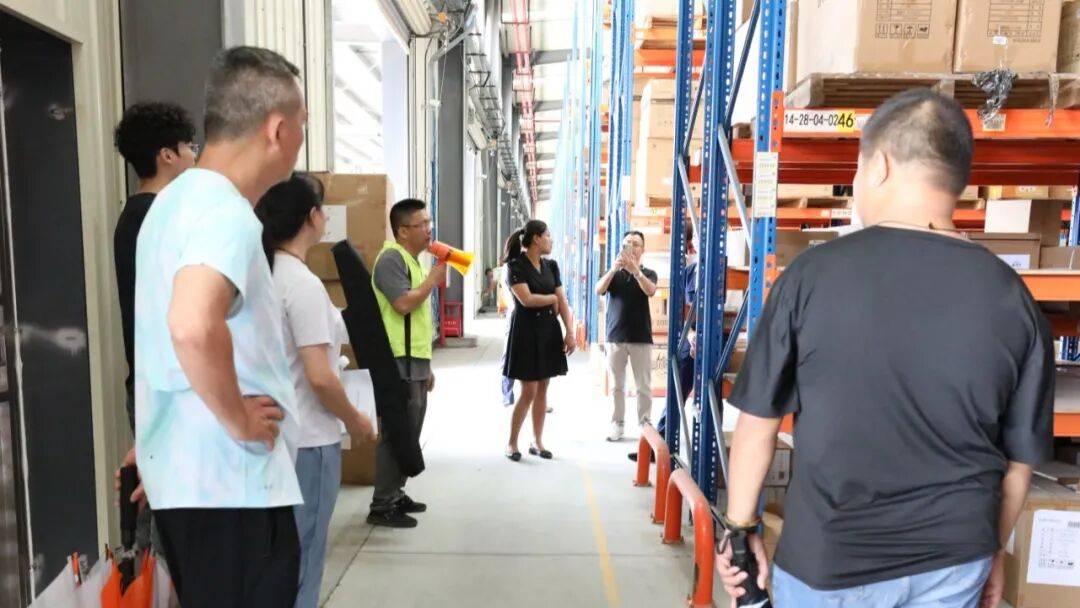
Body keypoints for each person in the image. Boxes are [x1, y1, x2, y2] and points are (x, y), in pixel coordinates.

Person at [717, 89, 1053, 608]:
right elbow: (1019, 464)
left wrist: (741, 532)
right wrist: (990, 551)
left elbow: (757, 426)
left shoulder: (811, 277)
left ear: (879, 166)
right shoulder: (1013, 298)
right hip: (953, 563)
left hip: (830, 561)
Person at [128, 46, 309, 607]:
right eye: (302, 126)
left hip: (193, 479)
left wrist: (162, 434)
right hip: (234, 486)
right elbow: (190, 324)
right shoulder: (226, 212)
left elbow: (164, 339)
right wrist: (239, 420)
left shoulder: (170, 202)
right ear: (277, 130)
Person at [256, 173, 377, 608]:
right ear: (311, 217)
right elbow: (320, 377)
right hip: (309, 441)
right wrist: (355, 419)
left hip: (276, 437)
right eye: (322, 209)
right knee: (304, 560)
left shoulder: (264, 276)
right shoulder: (302, 284)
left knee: (280, 561)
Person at [112, 101, 197, 552]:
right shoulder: (158, 218)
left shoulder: (136, 215)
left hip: (154, 383)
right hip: (167, 387)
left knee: (156, 512)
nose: (194, 155)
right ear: (167, 155)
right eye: (190, 146)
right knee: (171, 521)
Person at [368, 198, 446, 528]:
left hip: (414, 360)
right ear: (402, 231)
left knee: (409, 432)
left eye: (429, 222)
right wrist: (432, 281)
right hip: (397, 360)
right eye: (422, 224)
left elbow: (417, 319)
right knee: (397, 433)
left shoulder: (411, 261)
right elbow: (402, 304)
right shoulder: (391, 259)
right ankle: (382, 504)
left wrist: (426, 366)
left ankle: (396, 493)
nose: (429, 230)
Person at [503, 220, 575, 461]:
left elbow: (562, 300)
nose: (551, 240)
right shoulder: (516, 266)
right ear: (536, 238)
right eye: (548, 235)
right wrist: (552, 300)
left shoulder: (551, 266)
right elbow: (526, 300)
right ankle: (512, 443)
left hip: (548, 331)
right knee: (529, 390)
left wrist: (570, 331)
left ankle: (537, 440)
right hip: (526, 332)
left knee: (543, 387)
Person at [595, 231, 658, 442]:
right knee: (616, 386)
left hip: (641, 337)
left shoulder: (648, 273)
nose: (631, 246)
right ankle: (617, 423)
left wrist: (636, 272)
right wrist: (614, 269)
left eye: (636, 244)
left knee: (643, 387)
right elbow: (598, 289)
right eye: (627, 243)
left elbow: (650, 290)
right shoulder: (614, 273)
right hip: (616, 337)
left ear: (643, 249)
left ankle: (645, 424)